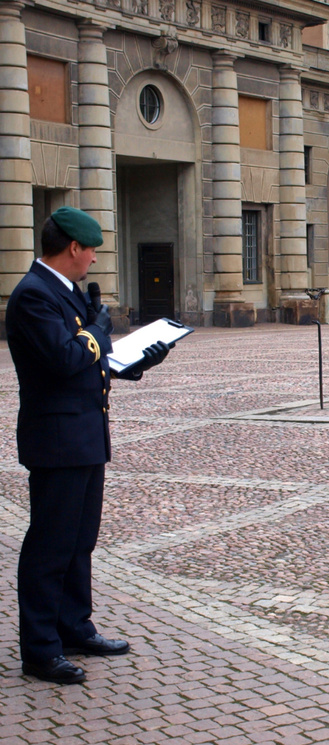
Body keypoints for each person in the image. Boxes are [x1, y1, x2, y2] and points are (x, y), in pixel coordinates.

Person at [6, 206, 173, 684]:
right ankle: (40, 649)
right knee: (49, 547)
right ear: (74, 248)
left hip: (83, 435)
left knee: (79, 542)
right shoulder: (34, 296)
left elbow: (89, 361)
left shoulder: (65, 293)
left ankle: (73, 626)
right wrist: (99, 331)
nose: (95, 260)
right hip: (57, 439)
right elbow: (64, 359)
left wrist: (141, 359)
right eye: (92, 250)